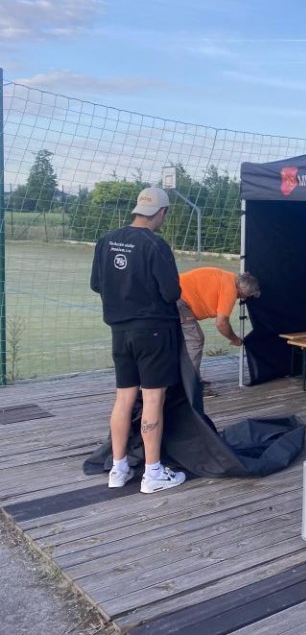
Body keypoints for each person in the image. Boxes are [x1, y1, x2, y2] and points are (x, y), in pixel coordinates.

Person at [90, 186, 186, 494]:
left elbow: (96, 284)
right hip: (153, 332)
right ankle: (153, 472)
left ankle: (118, 468)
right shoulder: (155, 245)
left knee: (124, 398)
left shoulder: (106, 241)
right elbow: (172, 292)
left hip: (119, 332)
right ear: (162, 212)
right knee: (153, 399)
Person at [177, 267, 260, 377]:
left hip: (172, 292)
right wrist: (235, 339)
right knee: (195, 340)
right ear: (242, 291)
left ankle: (181, 379)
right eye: (246, 296)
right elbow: (221, 323)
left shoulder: (229, 277)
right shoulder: (230, 290)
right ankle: (190, 382)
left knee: (178, 340)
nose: (243, 299)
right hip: (179, 300)